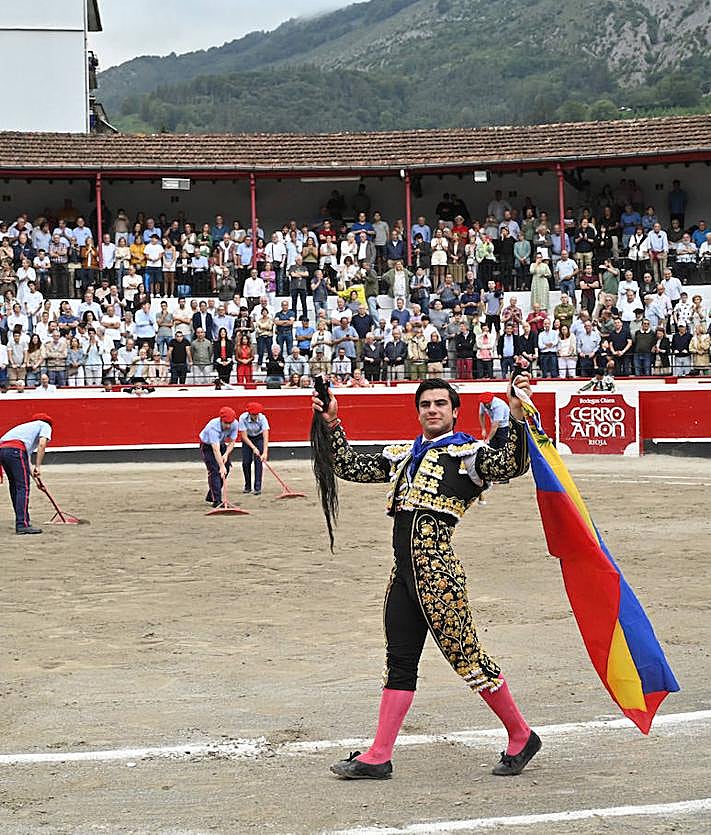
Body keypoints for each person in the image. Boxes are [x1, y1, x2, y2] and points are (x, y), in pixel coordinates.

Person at [312, 377, 540, 781]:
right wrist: (332, 423)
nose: (432, 409)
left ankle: (521, 734)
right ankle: (379, 754)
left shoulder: (468, 455)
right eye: (425, 404)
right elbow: (349, 466)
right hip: (403, 576)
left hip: (438, 575)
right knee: (399, 661)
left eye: (440, 404)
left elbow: (513, 464)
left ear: (455, 411)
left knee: (468, 659)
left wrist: (518, 417)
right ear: (417, 412)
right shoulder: (404, 455)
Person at [0, 413, 53, 534]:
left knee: (15, 487)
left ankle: (22, 521)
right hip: (15, 451)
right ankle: (22, 524)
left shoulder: (24, 430)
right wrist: (38, 466)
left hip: (3, 452)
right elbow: (42, 444)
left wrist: (37, 482)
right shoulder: (45, 425)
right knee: (22, 488)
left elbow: (26, 462)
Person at [198, 406, 239, 507]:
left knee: (227, 468)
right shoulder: (213, 427)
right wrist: (221, 465)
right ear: (221, 420)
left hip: (221, 445)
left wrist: (226, 454)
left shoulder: (235, 424)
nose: (229, 426)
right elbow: (215, 449)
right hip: (208, 446)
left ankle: (211, 495)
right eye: (226, 423)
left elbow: (232, 442)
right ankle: (217, 500)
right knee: (215, 471)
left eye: (230, 423)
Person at [238, 402, 270, 495]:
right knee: (246, 462)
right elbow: (244, 436)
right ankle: (247, 486)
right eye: (253, 414)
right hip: (247, 439)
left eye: (256, 414)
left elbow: (265, 435)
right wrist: (253, 447)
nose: (255, 416)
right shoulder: (242, 418)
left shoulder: (262, 418)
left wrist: (264, 452)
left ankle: (257, 487)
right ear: (249, 413)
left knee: (258, 462)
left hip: (259, 438)